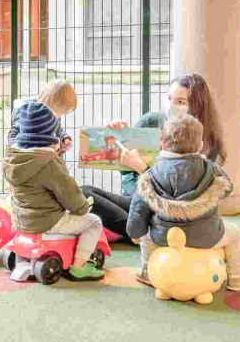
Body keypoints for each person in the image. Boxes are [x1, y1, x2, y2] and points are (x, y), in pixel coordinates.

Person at [80, 73, 226, 240]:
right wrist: (126, 139)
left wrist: (142, 169)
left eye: (181, 102)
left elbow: (181, 198)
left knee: (135, 216)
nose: (172, 106)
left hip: (173, 211)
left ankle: (143, 234)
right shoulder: (150, 122)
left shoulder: (204, 141)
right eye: (169, 98)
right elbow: (128, 177)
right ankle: (140, 231)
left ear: (196, 106)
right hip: (141, 200)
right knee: (85, 193)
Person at [125, 114, 240, 290]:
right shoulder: (209, 168)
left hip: (164, 238)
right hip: (206, 236)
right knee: (235, 233)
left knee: (146, 237)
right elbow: (226, 187)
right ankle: (238, 278)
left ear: (162, 143)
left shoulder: (151, 174)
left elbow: (138, 208)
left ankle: (148, 273)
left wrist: (135, 233)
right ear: (200, 145)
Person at [1, 99, 105, 281]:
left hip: (21, 220)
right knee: (94, 222)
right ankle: (79, 268)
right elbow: (69, 192)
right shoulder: (49, 163)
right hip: (47, 221)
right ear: (49, 133)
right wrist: (82, 208)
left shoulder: (14, 157)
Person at [7, 79, 79, 154]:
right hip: (25, 154)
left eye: (63, 112)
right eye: (60, 111)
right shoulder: (28, 111)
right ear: (52, 102)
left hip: (45, 154)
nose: (59, 116)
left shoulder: (53, 112)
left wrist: (64, 138)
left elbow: (57, 127)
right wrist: (18, 149)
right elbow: (12, 134)